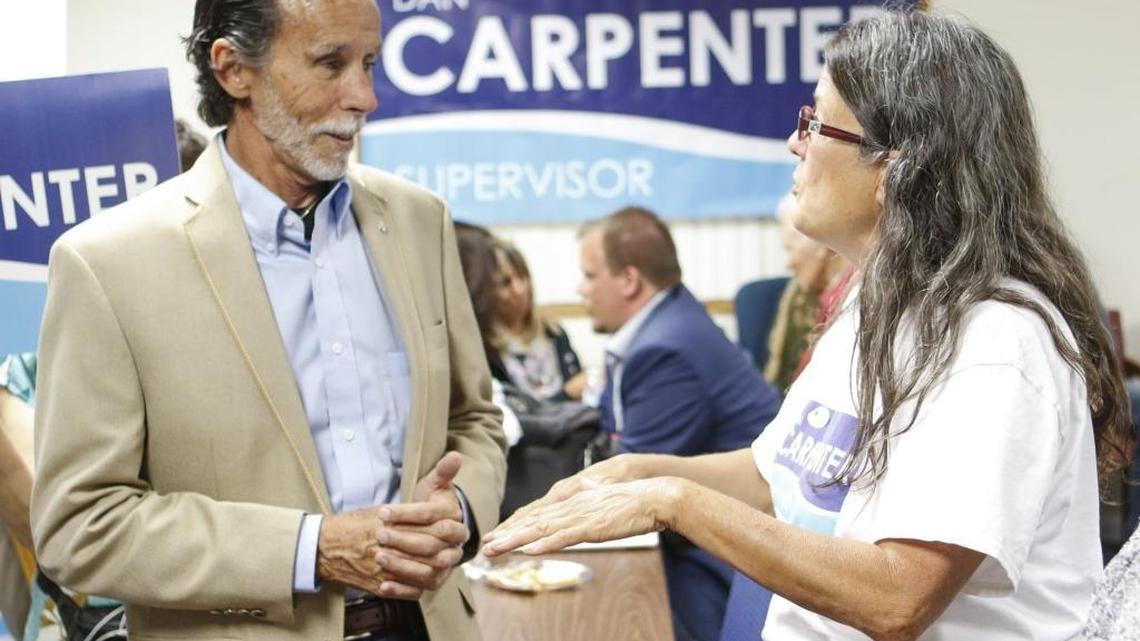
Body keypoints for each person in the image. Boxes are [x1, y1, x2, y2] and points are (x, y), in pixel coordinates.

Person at [484, 8, 1130, 641]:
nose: (796, 140)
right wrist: (637, 474)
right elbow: (777, 479)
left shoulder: (993, 343)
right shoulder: (875, 297)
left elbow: (896, 598)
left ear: (896, 170)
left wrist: (674, 500)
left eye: (817, 123)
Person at [30, 2, 506, 641]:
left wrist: (459, 509)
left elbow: (473, 420)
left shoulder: (420, 221)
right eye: (329, 63)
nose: (364, 97)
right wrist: (314, 548)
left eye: (368, 64)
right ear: (232, 70)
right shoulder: (108, 264)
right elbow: (81, 525)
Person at [576, 206, 783, 641]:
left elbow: (626, 486)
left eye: (590, 275)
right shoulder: (673, 319)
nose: (581, 290)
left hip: (733, 563)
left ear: (629, 280)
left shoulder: (664, 351)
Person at [764, 193, 853, 392]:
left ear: (821, 244)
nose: (788, 263)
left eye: (789, 249)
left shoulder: (851, 301)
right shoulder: (799, 296)